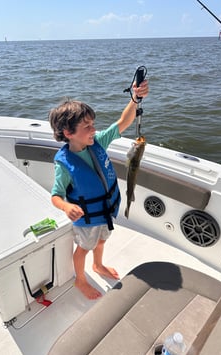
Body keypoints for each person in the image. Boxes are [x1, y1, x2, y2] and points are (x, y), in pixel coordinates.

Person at [49, 80, 149, 299]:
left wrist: (134, 98)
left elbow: (123, 122)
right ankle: (80, 279)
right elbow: (55, 195)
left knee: (102, 241)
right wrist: (66, 206)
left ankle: (98, 265)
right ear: (68, 132)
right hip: (87, 220)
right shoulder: (64, 164)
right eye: (87, 127)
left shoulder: (98, 142)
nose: (94, 130)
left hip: (105, 211)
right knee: (83, 249)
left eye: (93, 124)